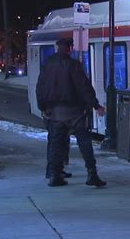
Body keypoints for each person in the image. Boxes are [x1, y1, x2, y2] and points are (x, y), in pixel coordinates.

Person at [36, 37, 107, 187]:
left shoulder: (47, 64)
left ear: (57, 48)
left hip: (55, 112)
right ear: (70, 48)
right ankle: (92, 173)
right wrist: (96, 106)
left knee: (55, 143)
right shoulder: (74, 65)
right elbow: (84, 87)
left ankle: (55, 175)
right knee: (84, 142)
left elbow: (40, 87)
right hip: (75, 111)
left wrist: (43, 107)